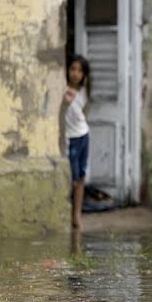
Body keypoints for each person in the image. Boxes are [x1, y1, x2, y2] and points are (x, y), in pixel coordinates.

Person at [61, 54, 91, 232]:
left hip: (83, 136)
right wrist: (65, 103)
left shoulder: (83, 92)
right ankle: (67, 212)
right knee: (70, 178)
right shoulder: (62, 90)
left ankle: (77, 214)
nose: (75, 73)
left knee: (80, 177)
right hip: (69, 138)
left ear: (84, 74)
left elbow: (83, 113)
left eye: (79, 70)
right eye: (73, 69)